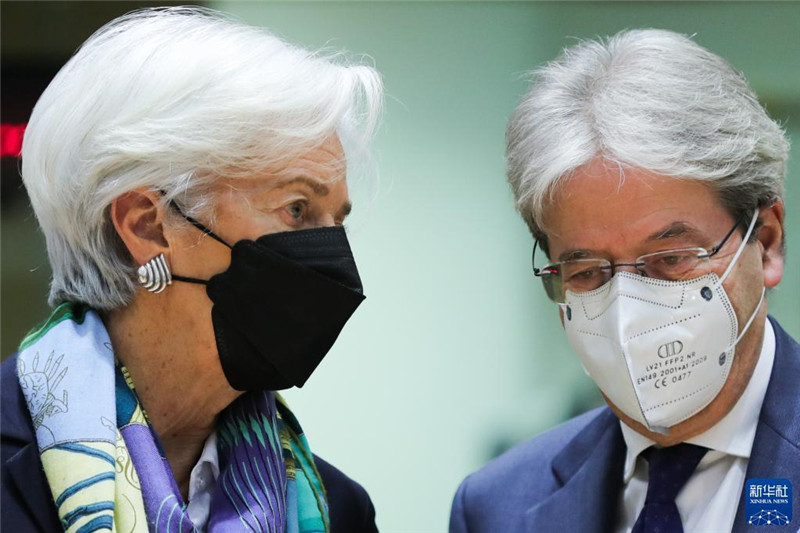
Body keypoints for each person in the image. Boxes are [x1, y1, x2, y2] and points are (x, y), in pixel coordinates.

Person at [1, 7, 382, 532]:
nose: (332, 252)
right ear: (147, 226)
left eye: (337, 221)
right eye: (297, 209)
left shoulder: (340, 510)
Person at [450, 29, 797, 533]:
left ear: (765, 242)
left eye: (670, 258)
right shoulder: (496, 506)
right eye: (587, 271)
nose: (628, 311)